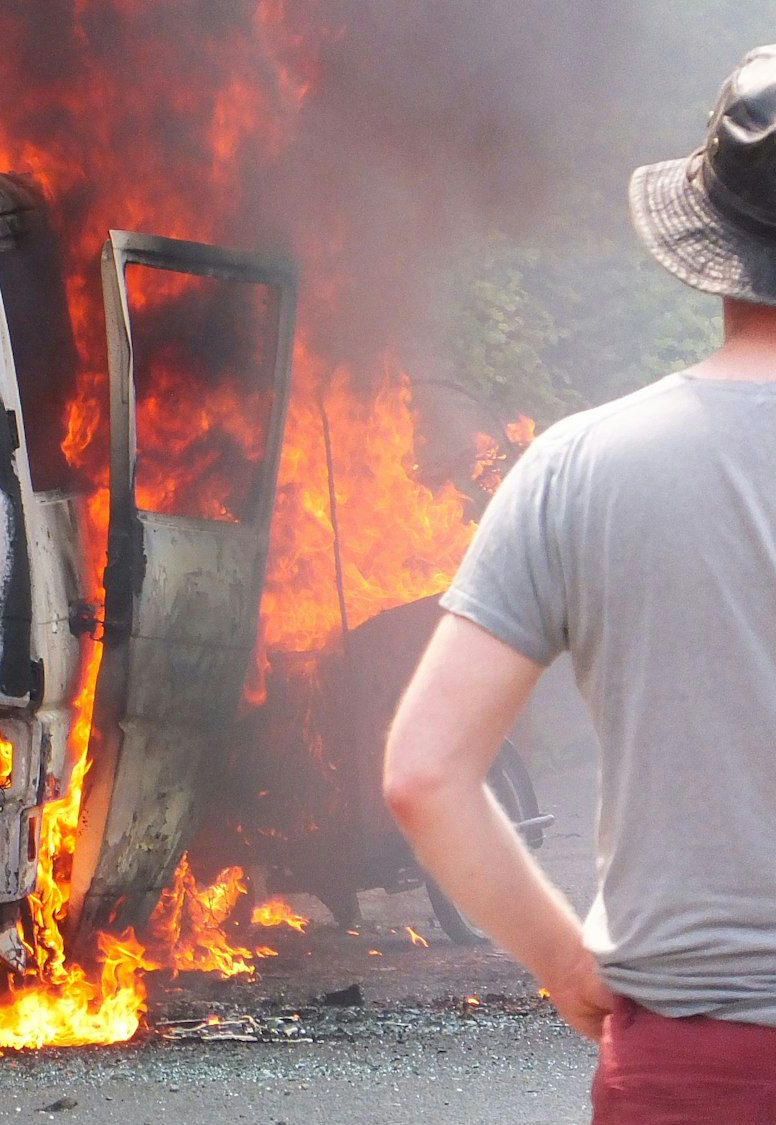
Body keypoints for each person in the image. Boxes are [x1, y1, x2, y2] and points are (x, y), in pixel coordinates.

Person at [383, 44, 776, 1121]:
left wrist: (566, 968)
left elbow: (423, 774)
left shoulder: (578, 466)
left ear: (711, 238)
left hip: (691, 1068)